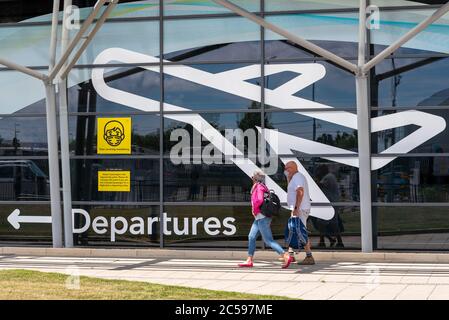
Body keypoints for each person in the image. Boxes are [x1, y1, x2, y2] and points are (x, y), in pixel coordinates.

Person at [238, 170, 294, 269]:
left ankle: (285, 255)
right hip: (259, 218)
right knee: (251, 237)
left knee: (268, 240)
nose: (251, 179)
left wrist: (255, 210)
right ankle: (249, 260)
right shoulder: (261, 186)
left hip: (262, 218)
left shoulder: (259, 187)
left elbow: (259, 200)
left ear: (254, 178)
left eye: (252, 177)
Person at [284, 161, 315, 265]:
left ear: (292, 168)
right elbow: (292, 190)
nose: (285, 171)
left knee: (301, 231)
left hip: (300, 209)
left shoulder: (298, 177)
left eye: (287, 168)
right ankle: (291, 255)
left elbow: (300, 191)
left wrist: (296, 208)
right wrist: (288, 179)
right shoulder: (295, 177)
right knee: (293, 230)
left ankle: (309, 256)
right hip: (297, 209)